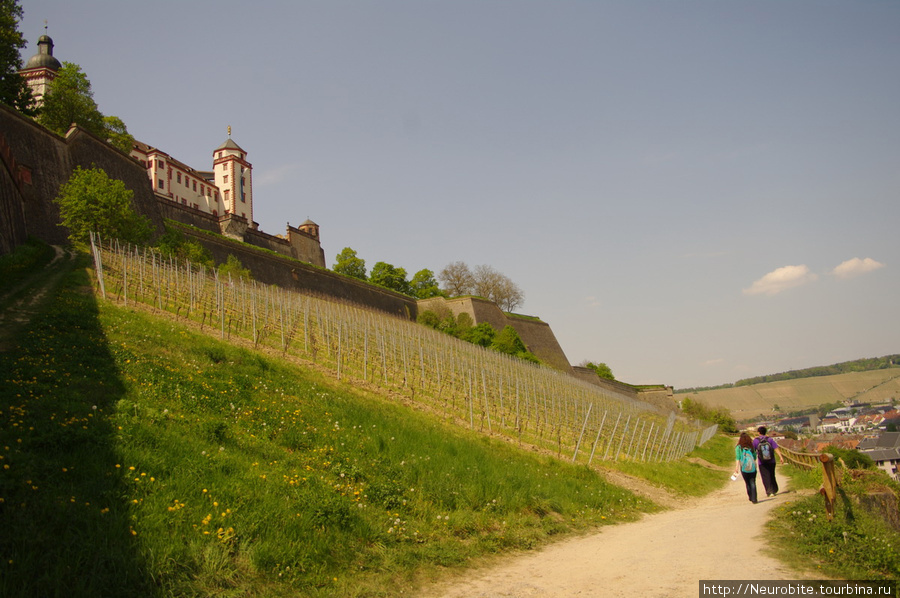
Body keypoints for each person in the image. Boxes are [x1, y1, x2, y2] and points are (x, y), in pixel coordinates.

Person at [753, 426, 785, 497]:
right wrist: (781, 457)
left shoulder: (756, 441)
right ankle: (774, 489)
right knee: (772, 474)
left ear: (759, 432)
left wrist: (753, 459)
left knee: (765, 476)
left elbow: (753, 451)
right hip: (771, 461)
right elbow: (776, 448)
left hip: (762, 462)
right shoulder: (769, 439)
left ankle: (769, 491)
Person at [734, 432, 758, 504]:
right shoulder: (751, 446)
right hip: (752, 467)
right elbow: (754, 457)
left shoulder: (738, 447)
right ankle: (754, 498)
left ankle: (750, 496)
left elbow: (738, 458)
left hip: (744, 468)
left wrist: (736, 468)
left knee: (747, 483)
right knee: (753, 482)